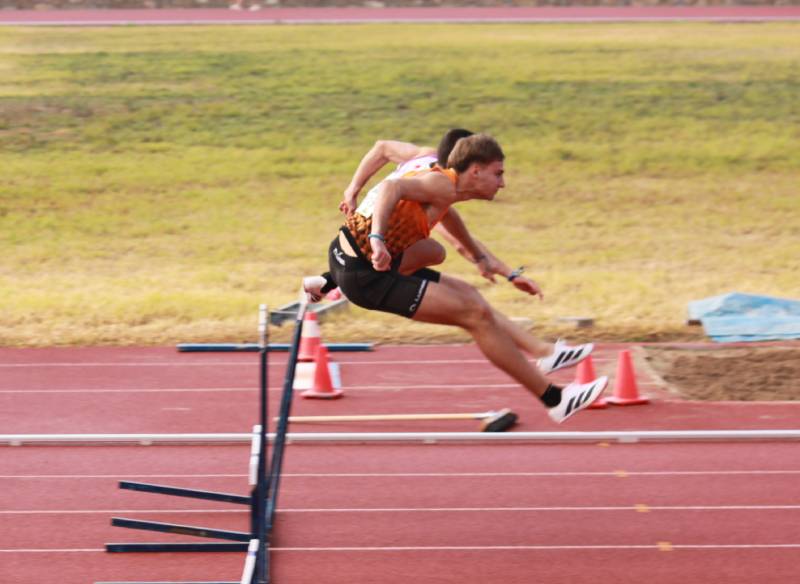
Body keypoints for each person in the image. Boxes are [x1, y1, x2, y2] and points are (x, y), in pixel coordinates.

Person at [310, 133, 607, 423]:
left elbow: (461, 240)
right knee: (475, 315)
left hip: (346, 254)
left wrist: (505, 271)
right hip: (365, 276)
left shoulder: (439, 185)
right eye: (498, 174)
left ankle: (545, 353)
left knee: (454, 275)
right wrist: (375, 237)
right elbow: (391, 188)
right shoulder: (439, 185)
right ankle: (556, 400)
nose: (503, 183)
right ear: (475, 170)